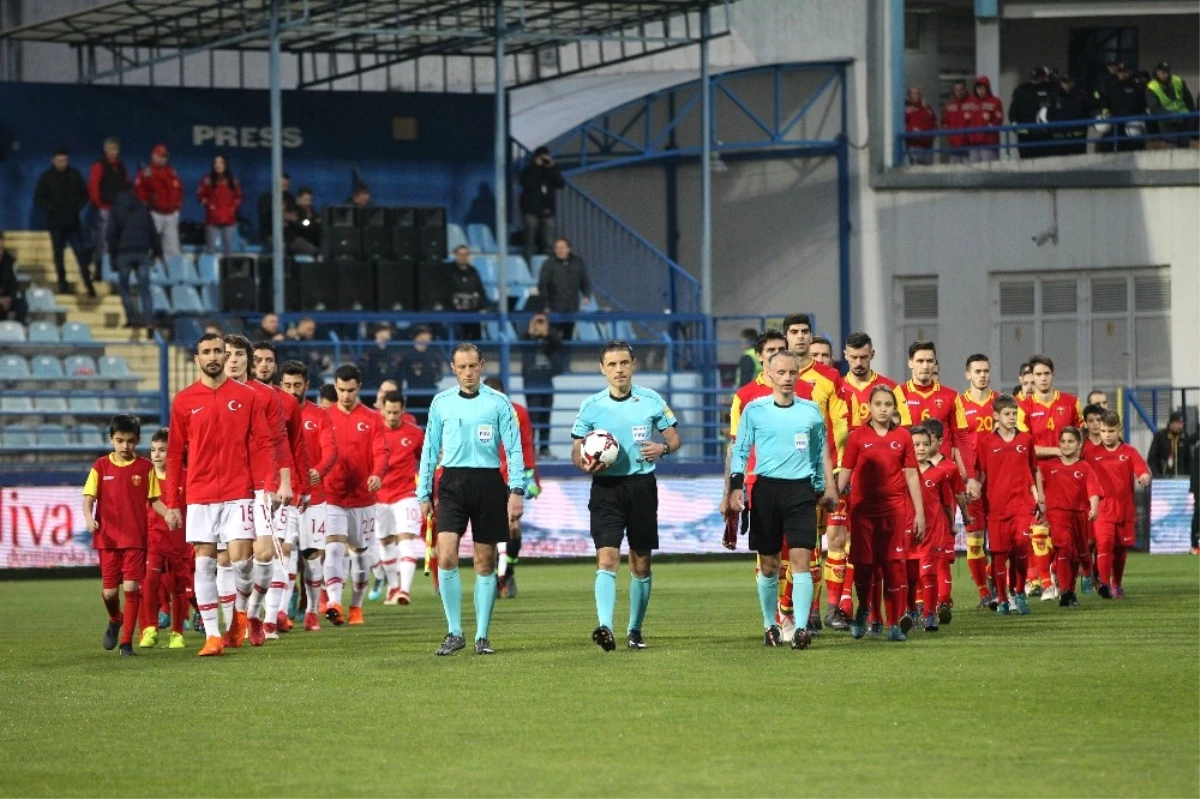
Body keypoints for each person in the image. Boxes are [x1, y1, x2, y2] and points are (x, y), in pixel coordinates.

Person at [163, 333, 276, 656]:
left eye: (218, 351)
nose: (213, 356)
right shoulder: (184, 400)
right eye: (206, 352)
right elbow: (173, 455)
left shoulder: (247, 397)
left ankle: (242, 612)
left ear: (226, 357)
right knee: (204, 563)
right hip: (200, 494)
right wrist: (173, 502)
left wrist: (266, 485)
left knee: (242, 562)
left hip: (239, 492)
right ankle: (213, 635)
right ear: (197, 359)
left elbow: (264, 442)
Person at [417, 343, 525, 656]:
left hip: (489, 482)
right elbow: (429, 448)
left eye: (472, 366)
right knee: (446, 553)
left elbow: (514, 449)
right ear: (453, 368)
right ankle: (454, 631)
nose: (467, 373)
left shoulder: (500, 403)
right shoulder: (441, 403)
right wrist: (424, 491)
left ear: (482, 366)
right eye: (461, 367)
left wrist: (516, 490)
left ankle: (481, 636)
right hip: (451, 482)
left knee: (485, 561)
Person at [572, 341, 680, 653]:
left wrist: (663, 448)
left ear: (633, 365)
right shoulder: (592, 406)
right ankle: (605, 627)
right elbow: (577, 448)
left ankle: (635, 629)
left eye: (624, 363)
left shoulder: (650, 400)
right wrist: (582, 460)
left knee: (641, 563)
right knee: (606, 559)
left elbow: (674, 438)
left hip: (641, 487)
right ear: (602, 369)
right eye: (612, 364)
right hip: (606, 489)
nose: (619, 369)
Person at [729, 350, 836, 649]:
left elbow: (818, 453)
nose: (788, 378)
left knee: (801, 561)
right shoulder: (754, 410)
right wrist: (737, 487)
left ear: (798, 374)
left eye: (792, 373)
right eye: (782, 373)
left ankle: (800, 629)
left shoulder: (811, 411)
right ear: (769, 374)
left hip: (801, 491)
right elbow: (740, 451)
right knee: (769, 565)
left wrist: (820, 486)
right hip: (766, 491)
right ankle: (770, 624)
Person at [220, 337, 294, 647]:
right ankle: (233, 619)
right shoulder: (214, 397)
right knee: (234, 560)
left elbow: (279, 442)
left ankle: (252, 614)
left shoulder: (265, 396)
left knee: (264, 553)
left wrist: (284, 482)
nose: (233, 360)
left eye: (239, 354)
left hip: (262, 484)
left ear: (248, 360)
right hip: (230, 485)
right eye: (227, 354)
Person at [837, 386, 924, 642]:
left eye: (888, 404)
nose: (883, 409)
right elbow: (847, 470)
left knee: (892, 566)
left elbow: (911, 474)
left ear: (894, 407)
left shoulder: (904, 437)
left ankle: (894, 622)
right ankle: (864, 608)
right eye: (878, 404)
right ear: (870, 407)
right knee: (863, 566)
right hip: (863, 511)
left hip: (894, 510)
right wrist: (834, 494)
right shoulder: (857, 437)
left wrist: (919, 512)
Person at [783, 314, 849, 635]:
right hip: (794, 477)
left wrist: (838, 470)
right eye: (794, 332)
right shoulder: (777, 377)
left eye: (805, 332)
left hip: (828, 476)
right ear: (786, 337)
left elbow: (840, 424)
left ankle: (833, 609)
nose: (800, 337)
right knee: (806, 548)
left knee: (836, 541)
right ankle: (807, 612)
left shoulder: (829, 377)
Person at [82, 415, 165, 657]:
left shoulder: (145, 467)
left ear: (137, 441)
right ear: (111, 440)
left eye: (130, 441)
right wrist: (89, 518)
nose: (125, 446)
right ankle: (114, 619)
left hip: (135, 539)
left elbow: (154, 500)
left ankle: (126, 642)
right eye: (120, 441)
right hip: (107, 539)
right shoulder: (100, 466)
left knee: (131, 587)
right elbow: (88, 499)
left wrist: (169, 513)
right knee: (109, 592)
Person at [833, 332, 897, 626]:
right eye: (853, 357)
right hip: (842, 475)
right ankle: (842, 603)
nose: (858, 362)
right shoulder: (836, 388)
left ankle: (878, 610)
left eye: (864, 356)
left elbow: (904, 433)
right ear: (845, 355)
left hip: (882, 483)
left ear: (873, 354)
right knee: (841, 540)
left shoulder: (889, 390)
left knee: (880, 549)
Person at [249, 341, 310, 643]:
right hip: (243, 487)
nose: (263, 365)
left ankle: (271, 618)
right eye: (258, 360)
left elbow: (296, 446)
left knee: (280, 551)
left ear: (275, 365)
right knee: (241, 556)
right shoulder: (240, 397)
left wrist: (303, 488)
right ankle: (243, 615)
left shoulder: (286, 402)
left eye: (268, 360)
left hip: (280, 488)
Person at [324, 363, 389, 627]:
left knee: (361, 556)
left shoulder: (372, 418)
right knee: (334, 548)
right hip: (332, 496)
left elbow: (381, 452)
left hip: (363, 498)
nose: (346, 395)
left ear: (358, 388)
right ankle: (334, 602)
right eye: (341, 390)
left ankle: (356, 606)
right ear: (335, 387)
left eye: (351, 390)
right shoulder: (324, 416)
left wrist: (377, 474)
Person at [280, 360, 338, 631]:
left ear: (307, 385)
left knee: (312, 556)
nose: (292, 390)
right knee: (287, 552)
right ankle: (281, 611)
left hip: (314, 497)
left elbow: (330, 450)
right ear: (281, 385)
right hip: (285, 496)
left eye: (297, 385)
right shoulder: (274, 414)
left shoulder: (320, 415)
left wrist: (319, 470)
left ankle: (313, 610)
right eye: (288, 385)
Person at [1019, 354, 1082, 598]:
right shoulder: (1023, 407)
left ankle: (1054, 572)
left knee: (1065, 532)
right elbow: (1025, 446)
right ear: (1031, 377)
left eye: (1046, 374)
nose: (1043, 378)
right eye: (1038, 374)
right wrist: (1057, 450)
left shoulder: (1070, 402)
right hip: (1038, 474)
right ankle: (1045, 582)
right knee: (1039, 527)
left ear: (1053, 375)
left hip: (1067, 476)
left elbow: (1080, 438)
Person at [972, 394, 1040, 616]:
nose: (1012, 418)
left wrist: (1038, 496)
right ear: (996, 416)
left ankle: (1019, 591)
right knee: (999, 555)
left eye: (1014, 414)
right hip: (996, 507)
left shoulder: (1026, 440)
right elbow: (980, 472)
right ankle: (1002, 598)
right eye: (1008, 414)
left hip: (1021, 504)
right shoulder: (985, 442)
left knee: (1021, 546)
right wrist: (974, 488)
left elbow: (1033, 469)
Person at [484, 375, 539, 598]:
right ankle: (495, 575)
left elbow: (526, 445)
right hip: (485, 477)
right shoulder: (477, 414)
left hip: (512, 477)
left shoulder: (519, 413)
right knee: (491, 531)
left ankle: (507, 573)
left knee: (513, 528)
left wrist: (532, 476)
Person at [1086, 410, 1151, 598]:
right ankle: (1104, 585)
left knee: (1121, 549)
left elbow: (1142, 470)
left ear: (1119, 430)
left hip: (1125, 508)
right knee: (1104, 544)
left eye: (1111, 431)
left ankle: (1117, 584)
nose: (1106, 435)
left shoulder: (1128, 451)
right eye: (1104, 431)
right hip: (1103, 508)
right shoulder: (1091, 453)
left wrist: (1144, 477)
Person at [1036, 427, 1101, 609]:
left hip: (1079, 515)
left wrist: (1094, 508)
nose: (1066, 445)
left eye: (1070, 441)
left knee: (1077, 554)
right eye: (1063, 441)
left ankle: (1071, 589)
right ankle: (1065, 591)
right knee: (1064, 547)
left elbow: (1093, 490)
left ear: (1079, 444)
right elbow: (1036, 482)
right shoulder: (1049, 466)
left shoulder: (1085, 467)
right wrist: (1039, 506)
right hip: (1057, 515)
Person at [139, 427, 192, 649]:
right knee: (150, 581)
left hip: (180, 541)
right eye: (153, 450)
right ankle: (149, 628)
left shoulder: (186, 477)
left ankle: (177, 632)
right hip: (153, 539)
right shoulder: (144, 477)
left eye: (162, 450)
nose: (156, 455)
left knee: (179, 587)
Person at [954, 353, 999, 608]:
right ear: (967, 374)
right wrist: (967, 476)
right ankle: (984, 592)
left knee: (1003, 539)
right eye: (977, 371)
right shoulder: (959, 404)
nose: (982, 375)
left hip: (998, 479)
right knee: (975, 537)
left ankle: (995, 578)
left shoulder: (1001, 403)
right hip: (971, 481)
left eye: (986, 370)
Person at [376, 390, 425, 606]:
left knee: (406, 540)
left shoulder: (415, 433)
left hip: (405, 494)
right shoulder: (373, 430)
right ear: (382, 410)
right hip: (378, 496)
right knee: (385, 542)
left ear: (403, 410)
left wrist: (427, 492)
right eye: (389, 412)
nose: (393, 416)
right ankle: (393, 585)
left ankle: (404, 591)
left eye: (396, 412)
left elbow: (425, 463)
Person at [910, 425, 957, 632]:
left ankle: (929, 615)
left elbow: (947, 503)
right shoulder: (902, 473)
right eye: (916, 445)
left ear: (932, 446)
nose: (921, 448)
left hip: (932, 531)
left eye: (925, 445)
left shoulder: (939, 474)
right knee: (909, 576)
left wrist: (952, 524)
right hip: (908, 533)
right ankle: (910, 612)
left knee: (928, 573)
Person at [894, 340, 964, 473]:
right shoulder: (898, 394)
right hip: (909, 471)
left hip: (943, 472)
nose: (925, 366)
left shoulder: (951, 396)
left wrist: (969, 476)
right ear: (910, 363)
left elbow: (961, 439)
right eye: (920, 361)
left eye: (930, 361)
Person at [34, 148, 92, 295]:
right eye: (59, 161)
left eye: (64, 161)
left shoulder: (74, 174)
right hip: (55, 224)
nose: (62, 164)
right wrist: (52, 210)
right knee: (58, 255)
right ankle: (63, 284)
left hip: (73, 223)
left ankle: (88, 283)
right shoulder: (46, 177)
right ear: (53, 161)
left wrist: (76, 209)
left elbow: (85, 195)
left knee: (80, 253)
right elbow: (39, 198)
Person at [106, 185, 161, 336]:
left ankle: (131, 318)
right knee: (145, 288)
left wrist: (112, 256)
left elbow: (111, 234)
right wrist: (157, 251)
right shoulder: (143, 209)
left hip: (123, 254)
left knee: (124, 287)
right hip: (142, 253)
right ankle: (149, 322)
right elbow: (153, 231)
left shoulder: (116, 210)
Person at [520, 313, 562, 459]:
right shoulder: (527, 338)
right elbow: (520, 343)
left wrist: (547, 333)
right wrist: (531, 331)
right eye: (536, 322)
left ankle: (544, 449)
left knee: (545, 416)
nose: (539, 325)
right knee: (533, 417)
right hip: (532, 382)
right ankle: (531, 450)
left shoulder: (550, 338)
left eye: (542, 322)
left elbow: (558, 343)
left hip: (546, 381)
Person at [88, 137, 129, 280]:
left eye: (116, 149)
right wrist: (100, 204)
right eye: (111, 149)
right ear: (105, 150)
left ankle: (115, 271)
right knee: (103, 242)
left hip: (119, 210)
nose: (114, 152)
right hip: (104, 209)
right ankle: (100, 272)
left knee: (118, 241)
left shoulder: (120, 166)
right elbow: (93, 187)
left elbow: (126, 185)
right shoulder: (98, 166)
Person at [133, 144, 184, 258]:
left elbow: (179, 189)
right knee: (149, 245)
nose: (163, 159)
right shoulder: (146, 173)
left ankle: (171, 274)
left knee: (172, 249)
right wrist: (146, 206)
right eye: (160, 156)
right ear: (154, 156)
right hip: (154, 213)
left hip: (171, 214)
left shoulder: (171, 172)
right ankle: (148, 272)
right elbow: (139, 192)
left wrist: (177, 206)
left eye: (165, 156)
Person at [539, 238, 592, 342]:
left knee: (568, 336)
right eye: (557, 248)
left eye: (562, 248)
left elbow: (584, 281)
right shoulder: (549, 264)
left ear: (569, 249)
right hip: (553, 308)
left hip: (571, 307)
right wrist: (545, 305)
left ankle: (564, 358)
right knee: (552, 337)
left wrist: (586, 295)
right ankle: (547, 356)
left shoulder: (577, 263)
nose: (559, 250)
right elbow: (543, 285)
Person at [519, 146, 564, 265]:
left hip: (547, 210)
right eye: (541, 157)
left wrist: (552, 166)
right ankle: (528, 265)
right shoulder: (528, 170)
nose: (543, 160)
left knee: (549, 241)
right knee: (530, 239)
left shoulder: (550, 171)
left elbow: (560, 183)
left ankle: (549, 266)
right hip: (531, 210)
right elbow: (526, 183)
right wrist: (536, 167)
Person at [196, 154, 243, 255]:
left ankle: (227, 270)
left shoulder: (233, 181)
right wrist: (209, 206)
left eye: (220, 162)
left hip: (229, 220)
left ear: (225, 164)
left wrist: (232, 209)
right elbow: (200, 196)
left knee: (228, 250)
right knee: (211, 250)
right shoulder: (207, 180)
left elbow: (239, 197)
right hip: (212, 220)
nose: (218, 165)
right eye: (216, 162)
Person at [1009, 67, 1056, 159]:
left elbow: (1058, 85)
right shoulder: (1022, 90)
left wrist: (1049, 74)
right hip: (1025, 135)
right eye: (1034, 77)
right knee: (1026, 162)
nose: (1036, 79)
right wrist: (1017, 128)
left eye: (1039, 77)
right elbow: (1013, 112)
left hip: (1043, 134)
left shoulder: (1048, 88)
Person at [1099, 62, 1146, 153]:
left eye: (1125, 72)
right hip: (1116, 120)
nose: (1122, 74)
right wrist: (1106, 111)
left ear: (1130, 72)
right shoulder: (1112, 86)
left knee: (1135, 139)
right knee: (1110, 141)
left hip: (1133, 120)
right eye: (1120, 72)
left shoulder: (1137, 86)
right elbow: (1104, 101)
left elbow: (1143, 103)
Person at [1145, 61, 1194, 145]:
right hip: (1167, 122)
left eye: (1167, 72)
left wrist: (1191, 115)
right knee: (1171, 148)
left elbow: (1189, 100)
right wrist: (1171, 115)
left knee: (1185, 146)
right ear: (1157, 72)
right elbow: (1154, 108)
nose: (1166, 75)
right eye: (1163, 72)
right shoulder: (1152, 87)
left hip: (1184, 119)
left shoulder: (1178, 81)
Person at [1047, 74, 1094, 156]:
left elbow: (1089, 111)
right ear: (1061, 83)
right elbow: (1050, 115)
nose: (1067, 85)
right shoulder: (1054, 97)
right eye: (1064, 82)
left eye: (1069, 82)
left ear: (1073, 82)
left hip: (1078, 137)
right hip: (1060, 138)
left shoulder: (1081, 96)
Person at [447, 245, 486, 341]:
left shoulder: (473, 271)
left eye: (465, 254)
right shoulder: (449, 271)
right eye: (460, 254)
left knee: (475, 340)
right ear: (455, 255)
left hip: (473, 312)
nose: (463, 257)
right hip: (455, 312)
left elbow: (481, 291)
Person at [965, 76, 1004, 162]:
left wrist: (988, 127)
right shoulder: (971, 102)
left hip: (989, 143)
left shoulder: (995, 101)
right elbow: (967, 120)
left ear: (987, 88)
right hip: (973, 143)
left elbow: (998, 120)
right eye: (978, 88)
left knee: (988, 169)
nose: (981, 91)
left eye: (983, 88)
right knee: (974, 170)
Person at [256, 172, 296, 246]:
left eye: (287, 185)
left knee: (308, 248)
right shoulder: (266, 199)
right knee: (280, 246)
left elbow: (295, 216)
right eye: (283, 185)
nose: (285, 187)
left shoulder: (291, 199)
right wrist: (280, 218)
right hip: (270, 234)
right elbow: (264, 218)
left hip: (289, 236)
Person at [1148, 410, 1192, 477]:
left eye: (1182, 423)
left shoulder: (1184, 436)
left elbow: (1188, 459)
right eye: (1178, 423)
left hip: (1181, 480)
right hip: (1164, 479)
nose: (1180, 426)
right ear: (1171, 423)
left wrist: (1189, 477)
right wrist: (1157, 475)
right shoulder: (1160, 436)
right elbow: (1152, 459)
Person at [361, 324, 403, 388]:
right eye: (385, 331)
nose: (389, 333)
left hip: (389, 385)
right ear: (377, 334)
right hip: (372, 386)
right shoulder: (368, 350)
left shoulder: (393, 349)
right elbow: (364, 369)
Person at [904, 86, 938, 165]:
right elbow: (902, 125)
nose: (917, 95)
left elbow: (934, 122)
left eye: (918, 93)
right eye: (914, 93)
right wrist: (911, 130)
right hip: (914, 146)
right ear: (909, 96)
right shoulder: (905, 109)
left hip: (928, 146)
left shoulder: (927, 108)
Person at [0, 233, 27, 325]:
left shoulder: (10, 261)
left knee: (21, 303)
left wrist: (9, 298)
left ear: (2, 241)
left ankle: (18, 327)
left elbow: (14, 283)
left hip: (7, 297)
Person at [942, 80, 970, 163]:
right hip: (954, 145)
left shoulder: (972, 102)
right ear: (954, 91)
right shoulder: (950, 105)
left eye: (961, 89)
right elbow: (945, 122)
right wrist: (949, 136)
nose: (959, 92)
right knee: (954, 172)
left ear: (965, 89)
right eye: (957, 90)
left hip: (969, 145)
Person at [291, 186, 321, 254]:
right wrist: (312, 223)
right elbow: (300, 225)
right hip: (298, 239)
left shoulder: (312, 211)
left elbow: (317, 221)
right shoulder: (294, 210)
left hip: (312, 238)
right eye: (305, 200)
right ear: (298, 199)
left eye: (309, 200)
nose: (308, 203)